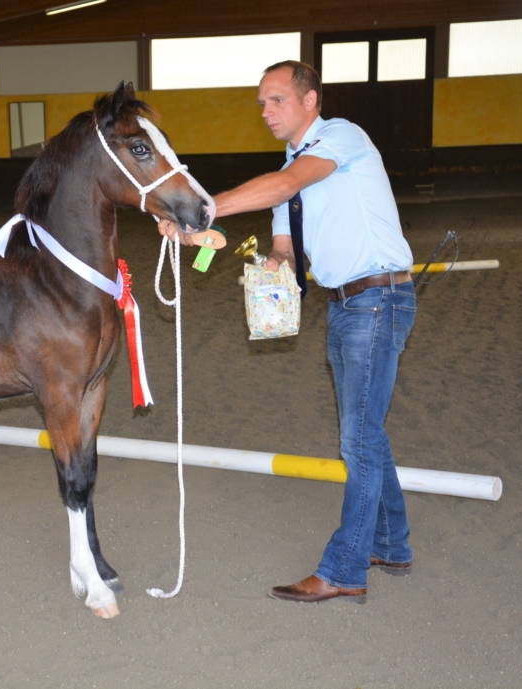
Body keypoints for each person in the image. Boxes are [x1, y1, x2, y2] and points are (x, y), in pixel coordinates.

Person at [159, 60, 417, 603]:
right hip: (345, 304)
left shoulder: (339, 138)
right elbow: (283, 247)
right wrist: (252, 263)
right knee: (365, 430)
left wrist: (201, 210)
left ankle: (345, 569)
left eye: (276, 99)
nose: (266, 111)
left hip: (376, 299)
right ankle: (391, 543)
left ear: (310, 101)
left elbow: (286, 185)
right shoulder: (290, 163)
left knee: (359, 438)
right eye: (261, 102)